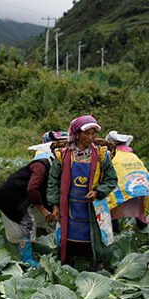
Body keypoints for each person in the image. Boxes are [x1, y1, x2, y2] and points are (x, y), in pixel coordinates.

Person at [47, 115, 118, 268]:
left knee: (94, 237)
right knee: (68, 237)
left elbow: (111, 180)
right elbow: (53, 181)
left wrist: (98, 191)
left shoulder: (101, 155)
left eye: (94, 133)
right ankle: (68, 264)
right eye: (87, 133)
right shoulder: (63, 155)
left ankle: (95, 264)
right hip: (69, 205)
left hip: (93, 206)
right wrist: (54, 205)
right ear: (77, 134)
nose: (91, 137)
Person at [0, 131, 65, 266]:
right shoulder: (41, 165)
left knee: (35, 223)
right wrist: (43, 210)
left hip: (24, 198)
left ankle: (35, 250)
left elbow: (50, 188)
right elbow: (32, 189)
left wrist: (54, 207)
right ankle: (27, 260)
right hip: (12, 198)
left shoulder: (55, 165)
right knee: (27, 224)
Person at [105, 131, 149, 230]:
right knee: (139, 210)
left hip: (122, 187)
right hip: (141, 187)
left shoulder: (111, 156)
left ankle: (114, 230)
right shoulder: (133, 156)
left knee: (112, 205)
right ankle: (142, 228)